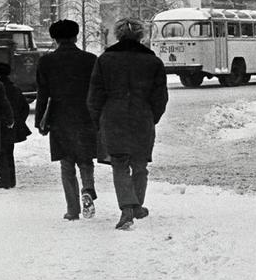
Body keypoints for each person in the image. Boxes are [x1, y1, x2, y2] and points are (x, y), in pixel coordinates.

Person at [87, 18, 169, 230]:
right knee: (140, 164)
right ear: (141, 36)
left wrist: (100, 119)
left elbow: (94, 96)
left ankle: (126, 209)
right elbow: (160, 98)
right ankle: (137, 206)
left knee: (120, 164)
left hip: (113, 116)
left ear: (118, 34)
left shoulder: (105, 60)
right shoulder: (153, 62)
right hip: (142, 116)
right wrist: (152, 116)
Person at [35, 19, 99, 221]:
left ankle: (72, 210)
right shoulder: (90, 60)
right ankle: (87, 189)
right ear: (76, 36)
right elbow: (97, 91)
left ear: (55, 39)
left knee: (66, 163)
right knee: (85, 160)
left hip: (60, 116)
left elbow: (42, 93)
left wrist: (40, 122)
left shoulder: (46, 61)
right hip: (85, 115)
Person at [0, 63, 29, 188]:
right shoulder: (15, 88)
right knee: (9, 153)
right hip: (12, 126)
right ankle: (11, 179)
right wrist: (18, 121)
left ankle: (5, 179)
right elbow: (25, 107)